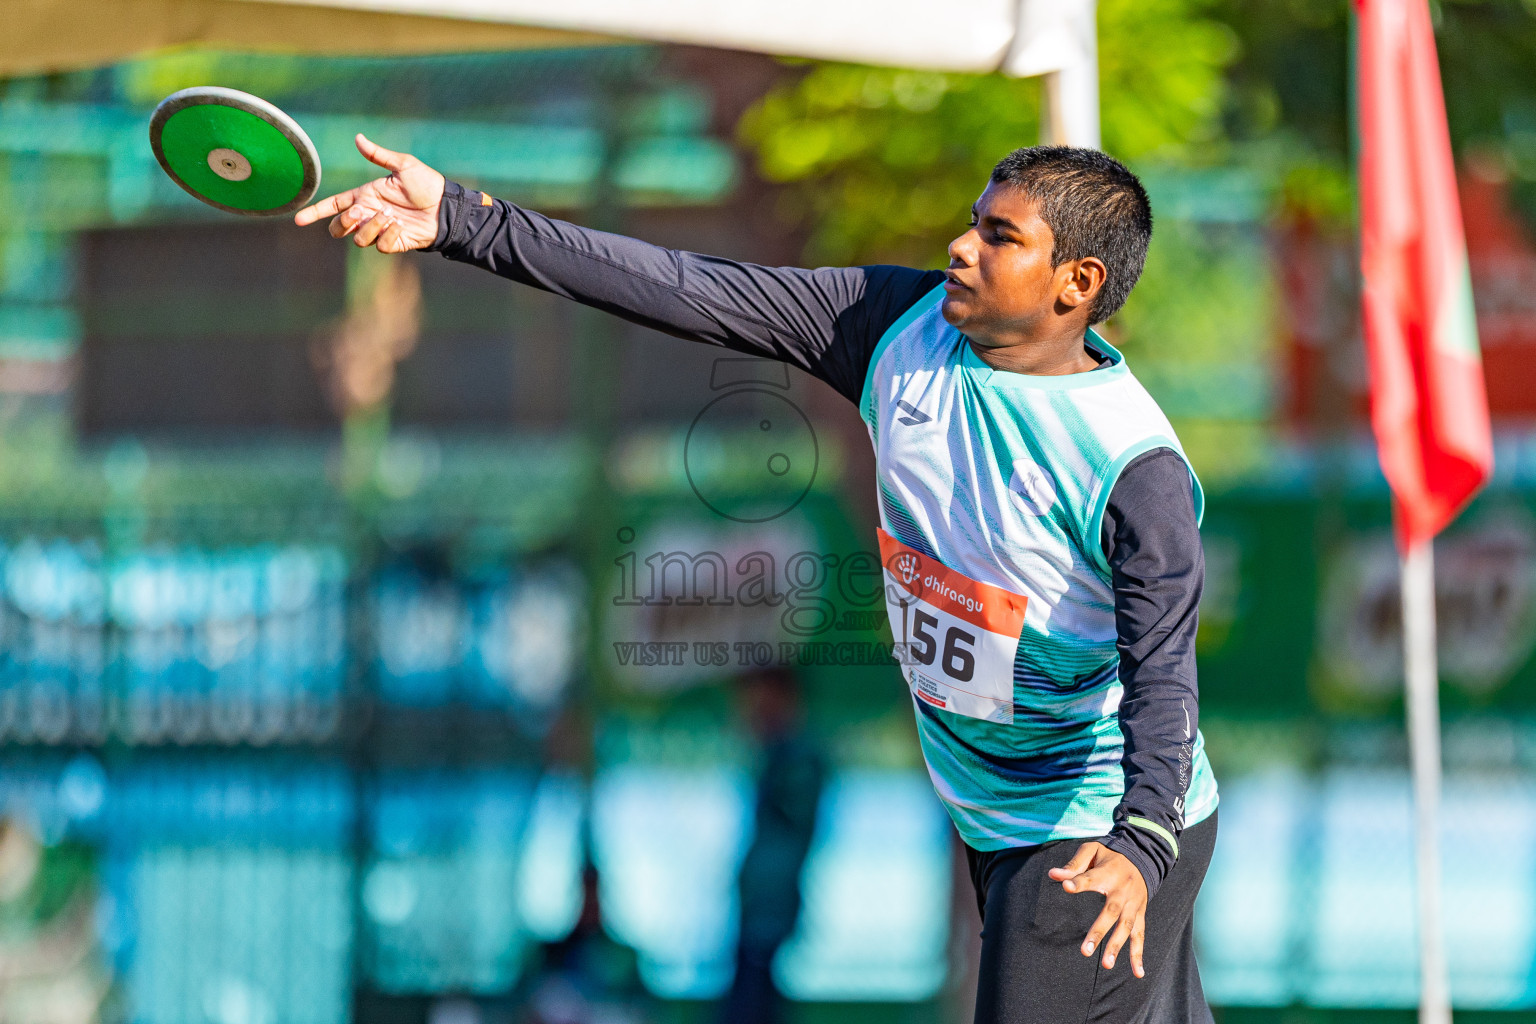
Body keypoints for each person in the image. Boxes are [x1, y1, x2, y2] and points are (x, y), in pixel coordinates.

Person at [296, 135, 1220, 1024]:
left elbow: (1164, 669)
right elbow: (682, 288)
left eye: (1000, 236)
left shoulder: (1130, 468)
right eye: (974, 221)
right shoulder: (891, 328)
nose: (962, 244)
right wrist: (463, 218)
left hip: (1093, 837)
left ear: (1078, 284)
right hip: (1001, 818)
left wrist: (1141, 838)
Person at [723, 667, 825, 1024]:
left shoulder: (797, 759)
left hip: (770, 911)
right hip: (759, 910)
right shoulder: (780, 757)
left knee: (752, 1005)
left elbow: (788, 833)